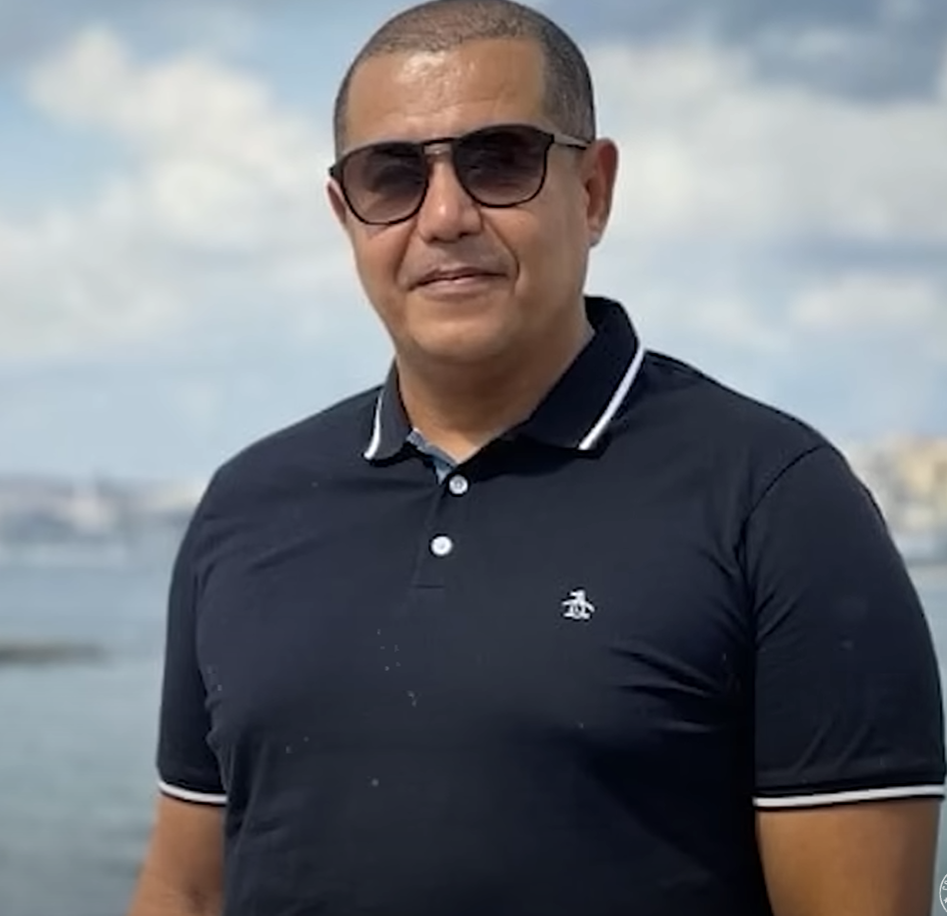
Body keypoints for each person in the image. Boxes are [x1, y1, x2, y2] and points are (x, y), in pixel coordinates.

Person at [126, 1, 946, 914]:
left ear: (592, 191)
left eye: (499, 160)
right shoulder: (248, 506)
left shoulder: (777, 502)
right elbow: (187, 890)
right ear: (345, 214)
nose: (445, 216)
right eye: (391, 177)